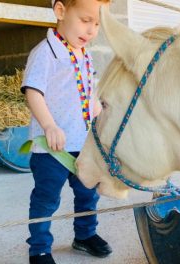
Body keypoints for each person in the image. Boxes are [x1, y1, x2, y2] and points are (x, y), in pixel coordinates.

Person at [21, 0, 111, 263]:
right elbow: (33, 91)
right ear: (60, 11)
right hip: (52, 148)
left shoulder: (85, 53)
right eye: (86, 20)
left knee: (87, 193)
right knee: (46, 198)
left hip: (82, 144)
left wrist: (98, 109)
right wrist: (49, 125)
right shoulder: (45, 52)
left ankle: (84, 235)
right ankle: (39, 248)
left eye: (97, 23)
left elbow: (86, 92)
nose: (92, 30)